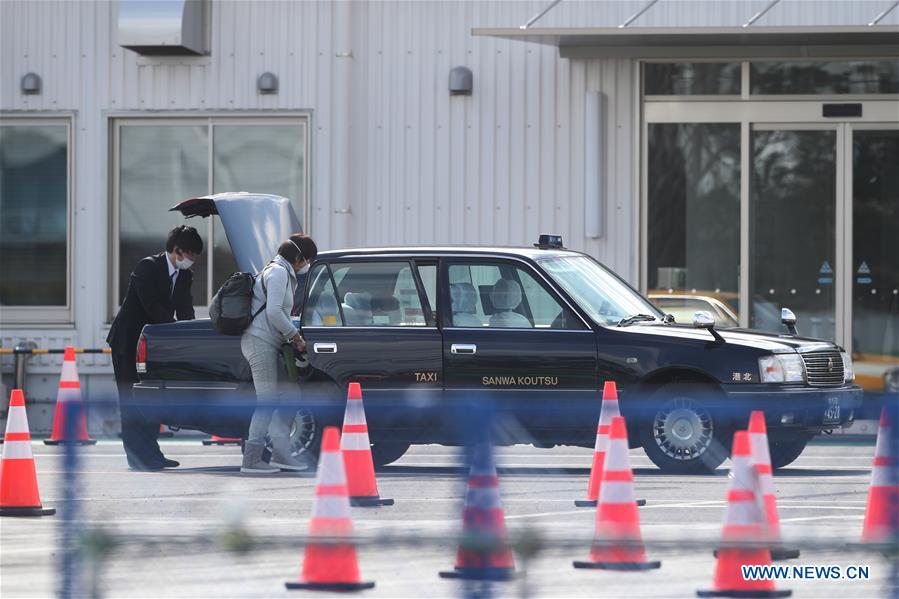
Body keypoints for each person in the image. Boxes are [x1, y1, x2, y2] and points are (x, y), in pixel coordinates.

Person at [107, 225, 203, 471]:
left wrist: (191, 333)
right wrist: (175, 332)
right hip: (128, 342)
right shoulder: (147, 267)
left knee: (151, 399)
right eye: (191, 255)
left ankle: (152, 454)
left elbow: (184, 308)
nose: (192, 261)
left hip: (153, 345)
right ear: (177, 250)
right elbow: (153, 308)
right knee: (131, 399)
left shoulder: (185, 275)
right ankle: (137, 457)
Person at [241, 233, 318, 473]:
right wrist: (296, 337)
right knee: (267, 400)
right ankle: (251, 459)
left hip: (271, 342)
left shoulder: (282, 272)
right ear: (297, 257)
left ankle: (281, 455)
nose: (306, 265)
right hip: (259, 341)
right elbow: (274, 312)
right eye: (306, 260)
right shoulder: (278, 272)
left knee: (291, 395)